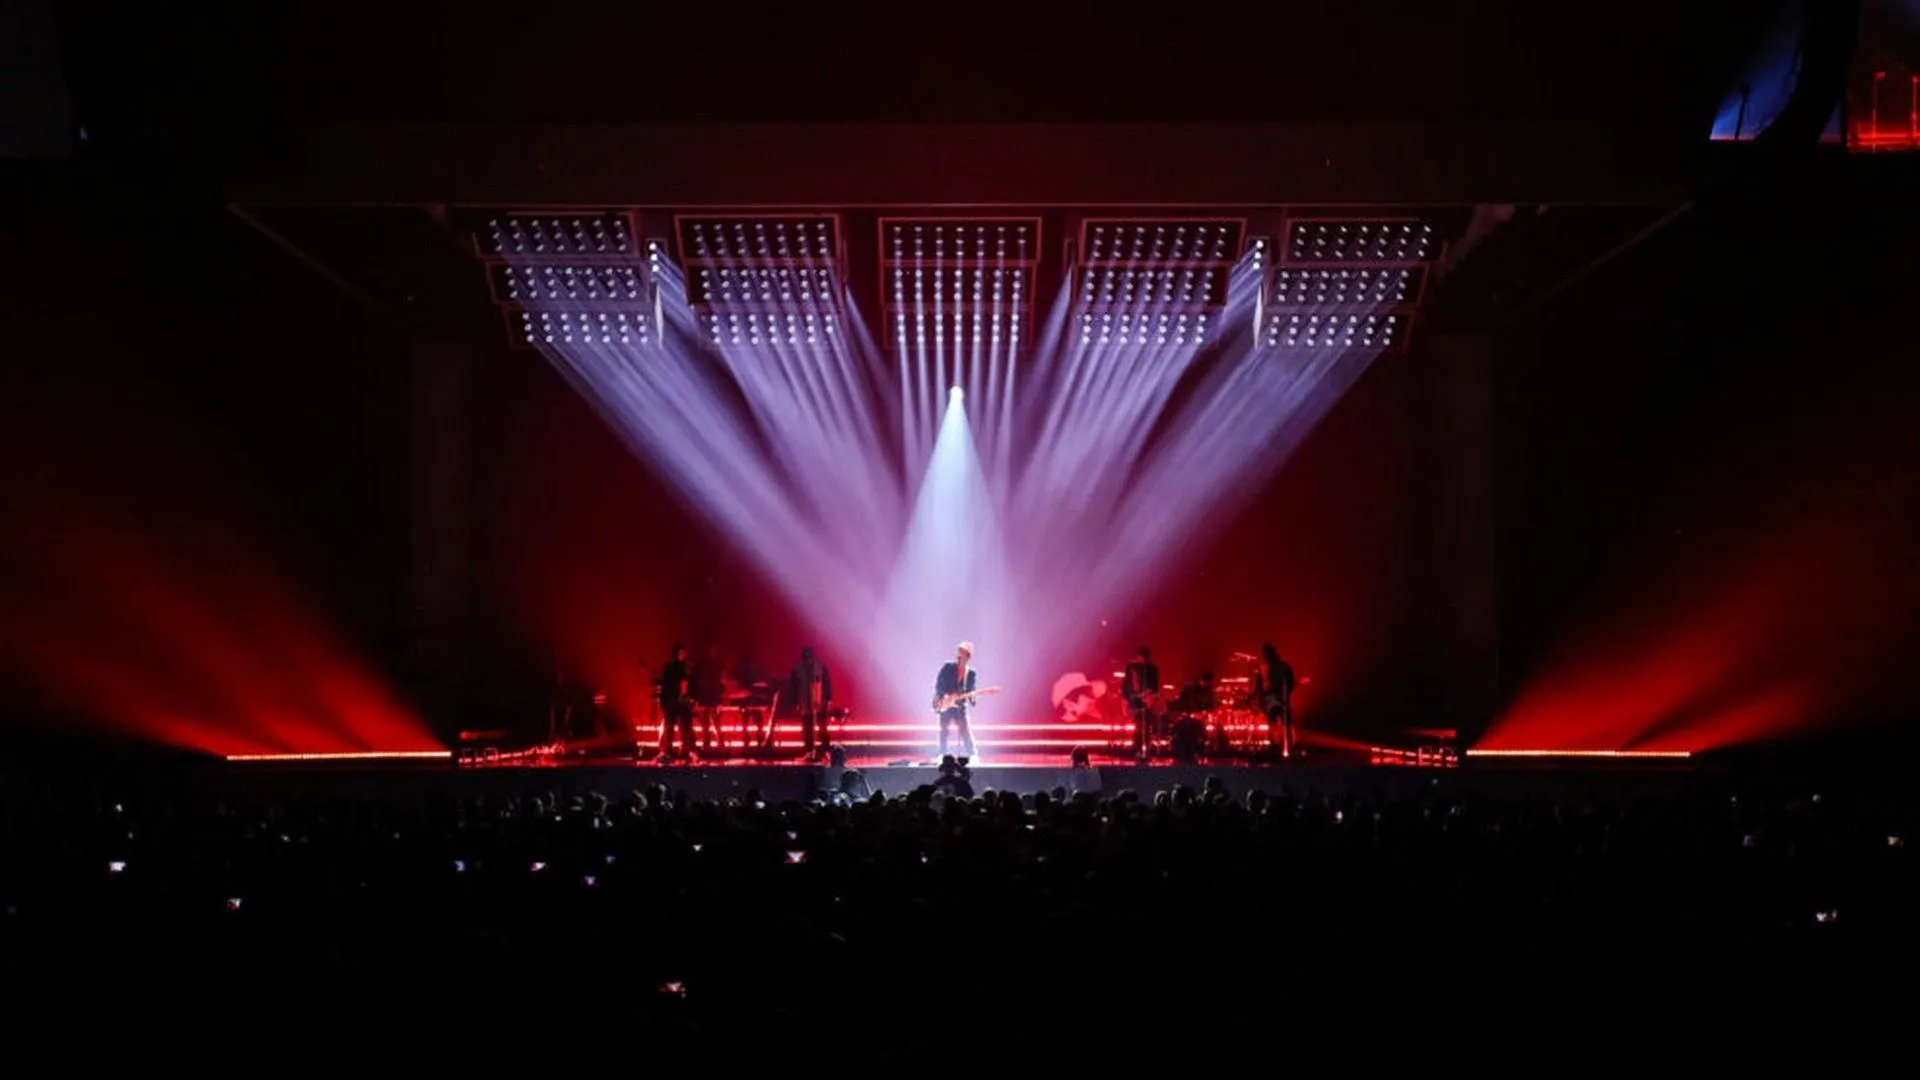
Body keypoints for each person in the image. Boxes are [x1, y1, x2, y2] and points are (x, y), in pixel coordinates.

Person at [932, 640, 979, 760]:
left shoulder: (971, 673)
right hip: (946, 704)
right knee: (944, 730)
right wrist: (945, 697)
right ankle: (941, 754)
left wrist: (973, 698)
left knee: (965, 731)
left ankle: (973, 755)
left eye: (962, 652)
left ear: (968, 656)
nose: (959, 655)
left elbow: (971, 689)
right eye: (959, 652)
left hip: (960, 707)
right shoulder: (947, 667)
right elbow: (939, 684)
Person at [787, 646, 833, 761]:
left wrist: (828, 699)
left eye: (810, 657)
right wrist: (794, 702)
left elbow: (826, 683)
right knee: (807, 729)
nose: (808, 660)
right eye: (806, 658)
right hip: (805, 704)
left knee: (822, 728)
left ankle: (825, 751)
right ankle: (809, 751)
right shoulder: (798, 669)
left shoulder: (821, 667)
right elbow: (793, 687)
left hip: (820, 703)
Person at [657, 644, 697, 761]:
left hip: (681, 701)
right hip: (673, 701)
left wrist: (693, 698)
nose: (680, 655)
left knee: (684, 726)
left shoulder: (686, 667)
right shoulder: (671, 668)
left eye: (682, 653)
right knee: (671, 725)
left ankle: (685, 749)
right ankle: (670, 749)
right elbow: (665, 685)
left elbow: (691, 684)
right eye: (679, 653)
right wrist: (664, 701)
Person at [1122, 646, 1161, 760]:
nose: (1143, 659)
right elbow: (1128, 684)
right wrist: (1131, 697)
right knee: (1139, 725)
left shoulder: (1152, 669)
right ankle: (1138, 748)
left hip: (1147, 700)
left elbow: (1154, 686)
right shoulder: (1132, 667)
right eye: (1141, 657)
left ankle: (1145, 749)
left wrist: (1151, 696)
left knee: (1146, 726)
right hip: (1137, 700)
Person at [1259, 643, 1297, 757]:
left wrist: (1285, 695)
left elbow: (1291, 682)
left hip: (1280, 699)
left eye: (1268, 654)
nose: (1267, 657)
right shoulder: (1265, 668)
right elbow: (1261, 686)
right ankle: (1275, 745)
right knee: (1274, 724)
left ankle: (1288, 746)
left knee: (1285, 723)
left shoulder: (1283, 668)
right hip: (1272, 700)